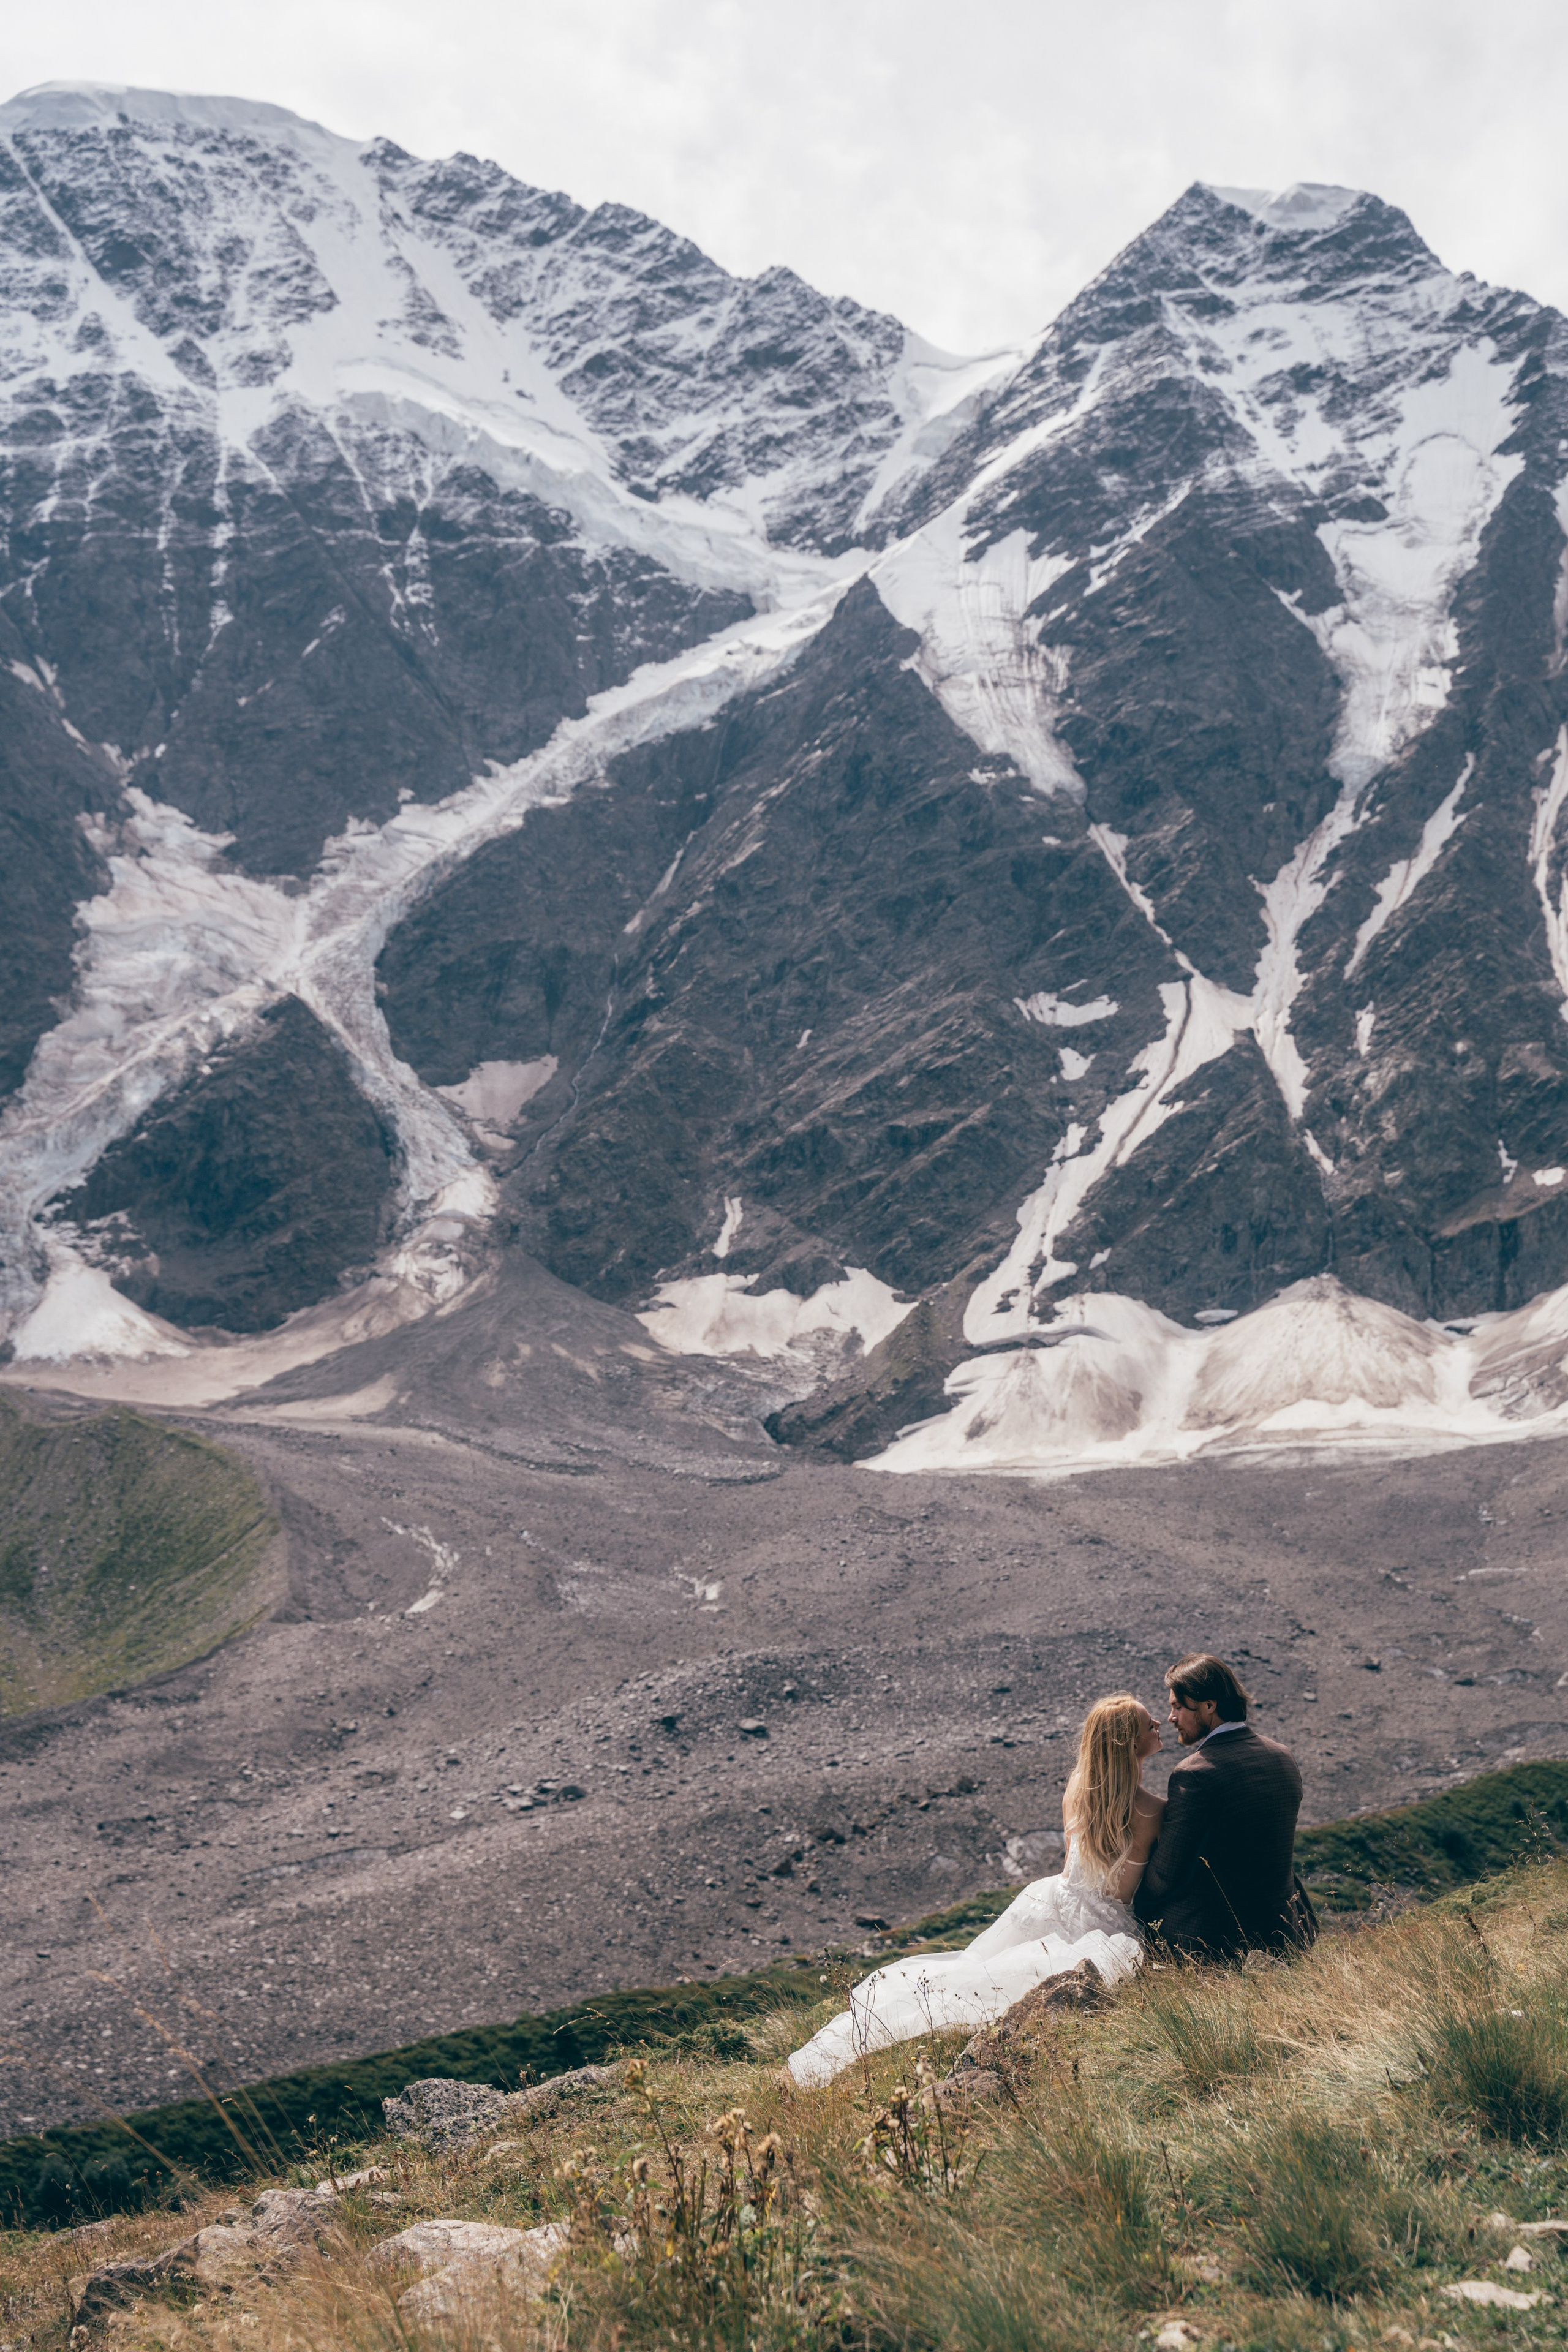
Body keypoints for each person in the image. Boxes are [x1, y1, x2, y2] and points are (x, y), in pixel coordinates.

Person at [784, 1694, 1163, 2088]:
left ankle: (859, 2043)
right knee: (1002, 1987)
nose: (1159, 1726)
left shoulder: (1077, 1790)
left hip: (1051, 1899)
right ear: (1131, 1744)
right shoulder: (1154, 1810)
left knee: (977, 1973)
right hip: (1102, 1920)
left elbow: (1071, 1863)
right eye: (1149, 1724)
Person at [1133, 1653, 1317, 1958]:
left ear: (1209, 1705)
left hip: (1218, 1941)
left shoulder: (1195, 1773)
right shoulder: (1283, 1756)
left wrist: (1130, 1907)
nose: (1171, 1718)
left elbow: (1167, 1874)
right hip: (1287, 1930)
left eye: (1178, 1706)